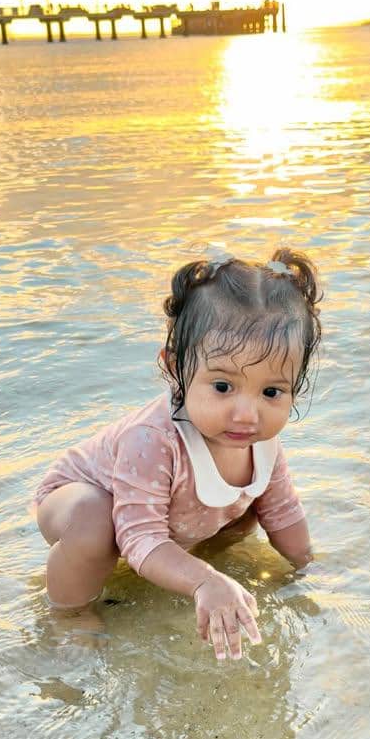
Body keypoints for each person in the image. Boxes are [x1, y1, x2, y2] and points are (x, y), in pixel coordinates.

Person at [32, 249, 322, 661]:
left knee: (251, 508)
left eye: (271, 392)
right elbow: (138, 535)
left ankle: (184, 560)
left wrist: (309, 568)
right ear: (175, 368)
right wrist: (203, 582)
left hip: (174, 514)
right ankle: (70, 614)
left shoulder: (261, 442)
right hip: (81, 500)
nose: (246, 414)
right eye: (222, 387)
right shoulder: (153, 439)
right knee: (96, 519)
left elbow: (284, 512)